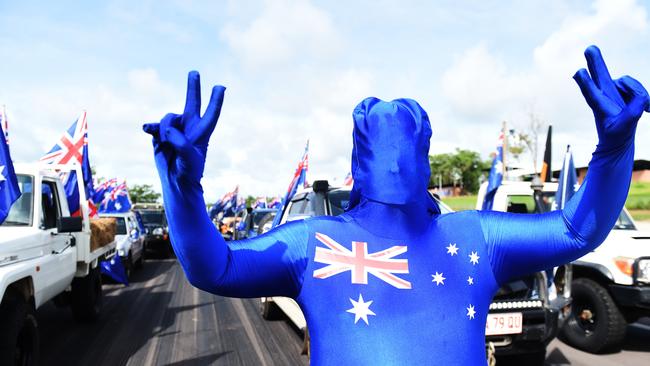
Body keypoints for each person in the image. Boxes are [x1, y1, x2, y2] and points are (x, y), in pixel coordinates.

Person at [143, 46, 649, 365]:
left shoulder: (319, 243)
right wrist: (181, 187)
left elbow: (578, 231)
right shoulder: (321, 243)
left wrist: (615, 148)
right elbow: (213, 268)